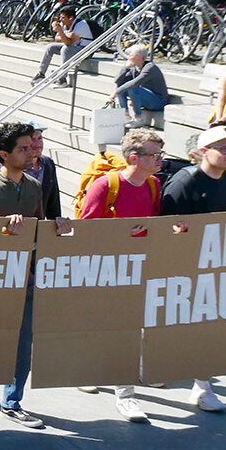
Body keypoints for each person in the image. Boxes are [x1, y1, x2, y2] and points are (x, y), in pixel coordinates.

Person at [0, 122, 72, 428]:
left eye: (31, 147)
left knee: (24, 342)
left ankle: (12, 401)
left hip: (24, 277)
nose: (31, 153)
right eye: (22, 149)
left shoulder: (36, 187)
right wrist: (1, 233)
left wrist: (57, 229)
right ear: (4, 154)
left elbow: (38, 228)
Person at [79, 128, 165, 422]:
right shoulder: (105, 186)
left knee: (130, 325)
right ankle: (124, 395)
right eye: (154, 155)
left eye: (160, 154)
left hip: (139, 265)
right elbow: (86, 230)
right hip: (107, 268)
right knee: (116, 329)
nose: (159, 160)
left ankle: (96, 368)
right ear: (134, 157)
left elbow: (152, 223)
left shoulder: (154, 184)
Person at [110, 45, 170, 129]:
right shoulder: (134, 68)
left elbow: (135, 83)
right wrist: (126, 67)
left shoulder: (150, 67)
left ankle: (138, 118)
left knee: (133, 87)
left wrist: (116, 92)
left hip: (158, 101)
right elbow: (117, 81)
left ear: (139, 57)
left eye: (131, 55)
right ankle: (126, 115)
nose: (128, 57)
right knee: (121, 85)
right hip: (145, 99)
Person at [31, 6, 92, 88]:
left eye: (63, 17)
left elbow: (68, 42)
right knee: (50, 47)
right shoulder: (64, 24)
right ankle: (41, 74)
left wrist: (60, 32)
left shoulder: (80, 25)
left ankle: (62, 79)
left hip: (85, 50)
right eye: (60, 17)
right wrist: (63, 34)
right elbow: (57, 39)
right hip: (74, 47)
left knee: (65, 49)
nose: (61, 19)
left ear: (71, 18)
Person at [22, 120, 62, 219]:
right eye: (32, 139)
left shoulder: (47, 163)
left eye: (39, 138)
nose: (38, 144)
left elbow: (53, 200)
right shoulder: (16, 166)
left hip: (40, 226)